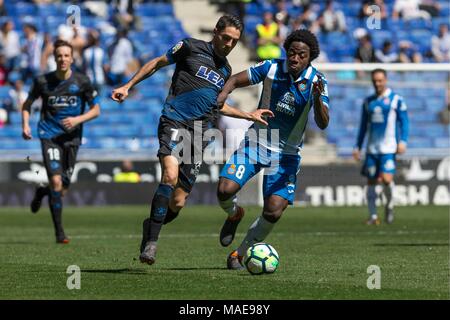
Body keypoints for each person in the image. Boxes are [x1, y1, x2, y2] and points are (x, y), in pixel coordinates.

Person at [111, 15, 272, 265]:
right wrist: (128, 85)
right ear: (216, 32)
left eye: (235, 41)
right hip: (175, 120)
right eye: (226, 37)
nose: (229, 44)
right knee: (169, 176)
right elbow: (157, 63)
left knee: (178, 201)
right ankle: (152, 243)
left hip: (199, 135)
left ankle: (151, 224)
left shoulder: (226, 70)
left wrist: (248, 114)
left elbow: (218, 106)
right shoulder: (190, 47)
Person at [215, 29, 330, 270]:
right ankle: (234, 213)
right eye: (292, 53)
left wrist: (318, 99)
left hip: (286, 155)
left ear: (310, 57)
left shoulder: (317, 82)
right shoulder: (271, 68)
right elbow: (235, 80)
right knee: (225, 190)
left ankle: (240, 253)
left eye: (302, 55)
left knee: (274, 210)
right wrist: (222, 96)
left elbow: (323, 122)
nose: (295, 58)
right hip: (256, 143)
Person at [21, 39, 101, 243]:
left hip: (72, 139)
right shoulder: (43, 82)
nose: (63, 59)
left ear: (72, 58)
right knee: (56, 182)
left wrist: (77, 120)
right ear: (54, 58)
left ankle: (41, 192)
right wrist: (26, 125)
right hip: (49, 135)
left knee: (62, 189)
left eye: (66, 55)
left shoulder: (82, 81)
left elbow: (96, 110)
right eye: (59, 55)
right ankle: (60, 234)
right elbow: (27, 104)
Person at [352, 69, 409, 225]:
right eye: (375, 81)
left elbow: (404, 122)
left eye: (380, 80)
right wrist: (357, 146)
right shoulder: (368, 102)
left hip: (389, 148)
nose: (377, 84)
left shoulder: (396, 99)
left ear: (386, 80)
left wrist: (403, 141)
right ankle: (373, 216)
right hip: (372, 149)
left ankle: (389, 205)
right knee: (371, 181)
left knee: (386, 178)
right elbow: (363, 126)